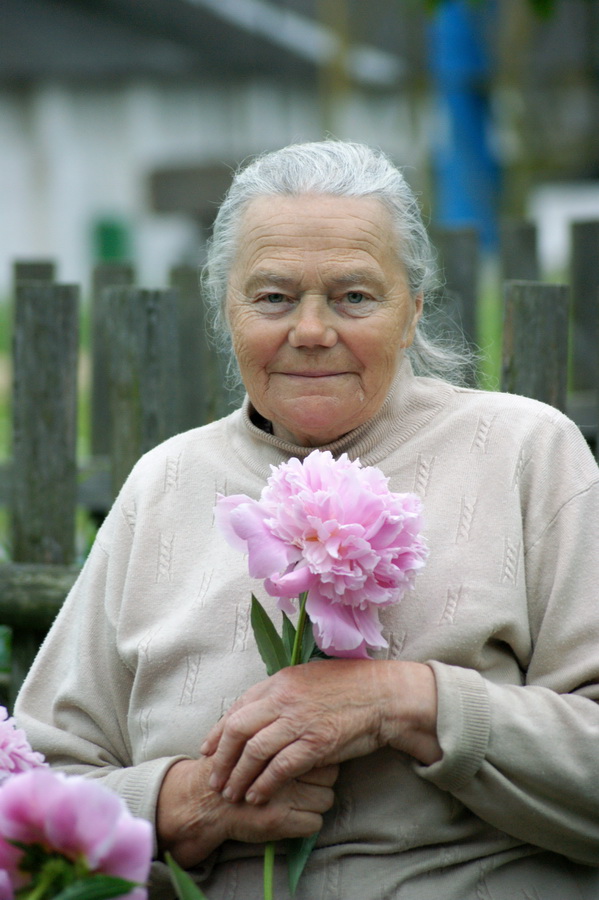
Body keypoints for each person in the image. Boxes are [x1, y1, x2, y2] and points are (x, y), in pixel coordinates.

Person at [14, 141, 599, 900]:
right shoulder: (166, 482)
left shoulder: (524, 452)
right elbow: (39, 784)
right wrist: (185, 804)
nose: (313, 330)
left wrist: (403, 701)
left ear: (412, 308)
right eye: (273, 298)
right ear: (227, 311)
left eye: (354, 296)